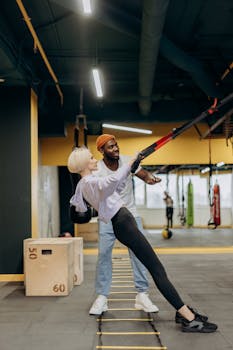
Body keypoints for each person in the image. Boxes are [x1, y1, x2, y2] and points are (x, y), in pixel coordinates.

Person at [67, 146, 218, 333]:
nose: (94, 160)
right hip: (124, 223)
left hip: (123, 222)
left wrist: (132, 167)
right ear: (83, 164)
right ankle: (187, 316)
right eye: (90, 158)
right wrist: (130, 161)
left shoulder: (85, 184)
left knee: (155, 267)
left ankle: (184, 312)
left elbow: (92, 200)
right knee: (157, 269)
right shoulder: (90, 182)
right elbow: (112, 180)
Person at [89, 134, 161, 315]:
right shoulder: (97, 169)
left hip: (130, 215)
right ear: (101, 150)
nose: (115, 149)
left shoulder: (128, 161)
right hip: (108, 217)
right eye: (110, 147)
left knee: (139, 255)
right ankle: (102, 297)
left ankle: (142, 295)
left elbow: (143, 174)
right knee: (104, 255)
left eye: (116, 145)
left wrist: (150, 179)